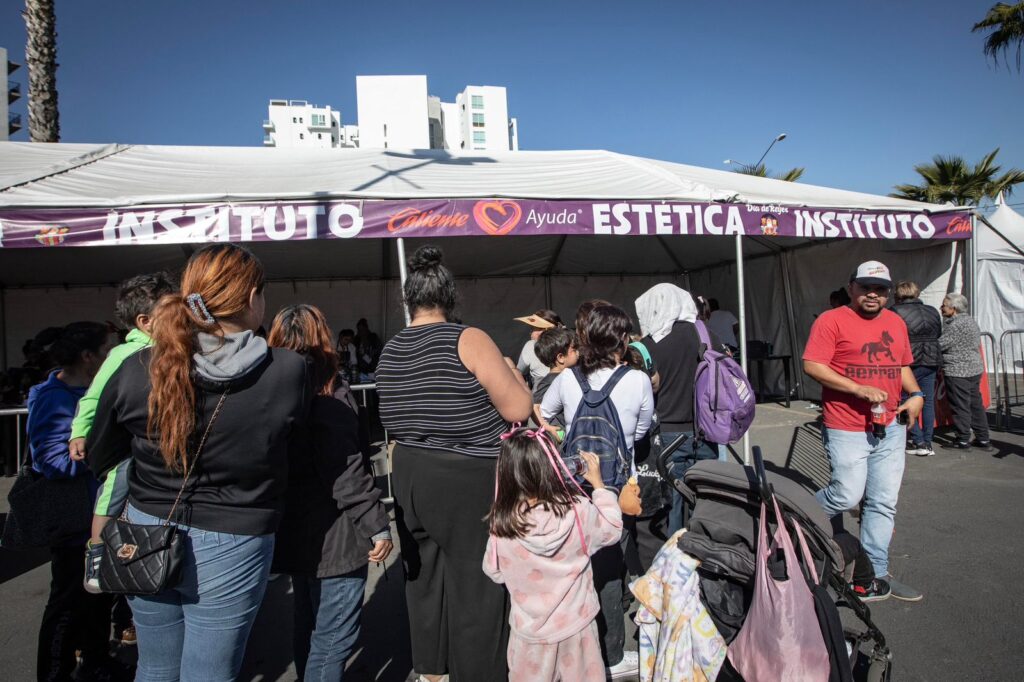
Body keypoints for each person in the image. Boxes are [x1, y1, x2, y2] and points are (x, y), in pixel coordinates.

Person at [85, 243, 310, 681]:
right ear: (251, 299)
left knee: (154, 667)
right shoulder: (287, 370)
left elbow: (102, 453)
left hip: (144, 526)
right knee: (210, 672)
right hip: (235, 535)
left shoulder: (138, 366)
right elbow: (291, 451)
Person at [375, 245, 533, 682]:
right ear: (449, 298)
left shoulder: (391, 348)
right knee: (476, 582)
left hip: (408, 470)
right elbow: (518, 408)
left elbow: (388, 415)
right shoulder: (469, 338)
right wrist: (510, 370)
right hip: (467, 476)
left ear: (408, 300)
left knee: (423, 577)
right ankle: (476, 672)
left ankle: (431, 668)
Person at [267, 305, 393, 682]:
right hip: (334, 536)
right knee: (332, 639)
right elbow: (346, 472)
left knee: (308, 629)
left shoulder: (273, 392)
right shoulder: (326, 394)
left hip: (295, 531)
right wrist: (378, 525)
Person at [540, 303, 653, 678]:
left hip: (574, 486)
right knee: (608, 568)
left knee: (574, 565)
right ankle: (612, 654)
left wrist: (562, 437)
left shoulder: (568, 378)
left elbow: (543, 412)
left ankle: (574, 648)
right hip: (616, 488)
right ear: (619, 340)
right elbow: (640, 432)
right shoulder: (635, 380)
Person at [803, 260, 925, 603]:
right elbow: (812, 365)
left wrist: (916, 396)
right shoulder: (832, 320)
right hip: (846, 425)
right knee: (846, 495)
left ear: (888, 292)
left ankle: (873, 573)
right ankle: (794, 520)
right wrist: (858, 389)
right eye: (866, 287)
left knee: (883, 503)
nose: (873, 294)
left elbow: (901, 365)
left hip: (889, 426)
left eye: (881, 289)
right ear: (852, 287)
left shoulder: (895, 322)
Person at [68, 272, 177, 603]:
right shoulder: (122, 356)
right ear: (144, 321)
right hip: (126, 447)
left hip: (158, 447)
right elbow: (92, 397)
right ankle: (97, 553)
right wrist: (80, 432)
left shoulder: (176, 349)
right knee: (114, 489)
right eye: (169, 310)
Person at [483, 430, 622, 682]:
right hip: (577, 630)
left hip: (530, 638)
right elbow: (612, 530)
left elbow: (493, 570)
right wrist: (600, 487)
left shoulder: (502, 525)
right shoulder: (578, 511)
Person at [27, 321, 121, 681]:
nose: (112, 356)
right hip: (71, 522)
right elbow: (49, 461)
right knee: (67, 602)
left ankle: (96, 661)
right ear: (88, 357)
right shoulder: (52, 398)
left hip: (96, 515)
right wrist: (104, 453)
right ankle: (54, 672)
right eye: (106, 349)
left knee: (97, 596)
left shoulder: (95, 389)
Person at [635, 284, 724, 536]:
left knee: (674, 500)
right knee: (707, 496)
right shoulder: (707, 335)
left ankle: (676, 557)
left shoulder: (649, 345)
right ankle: (706, 548)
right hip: (706, 429)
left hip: (668, 434)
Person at [891, 281, 943, 457]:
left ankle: (918, 440)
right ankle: (927, 442)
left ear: (899, 295)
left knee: (906, 399)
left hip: (910, 360)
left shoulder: (895, 312)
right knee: (926, 401)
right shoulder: (933, 310)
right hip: (931, 358)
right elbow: (938, 334)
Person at [939, 293, 993, 452]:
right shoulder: (970, 320)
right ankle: (983, 438)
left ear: (953, 308)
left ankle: (962, 439)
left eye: (944, 305)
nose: (941, 308)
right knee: (976, 405)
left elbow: (941, 344)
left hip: (958, 370)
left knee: (960, 406)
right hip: (974, 368)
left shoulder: (955, 325)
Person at [531, 326, 578, 437]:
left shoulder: (568, 375)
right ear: (561, 357)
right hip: (561, 434)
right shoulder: (550, 381)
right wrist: (545, 426)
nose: (578, 352)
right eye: (574, 349)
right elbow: (534, 406)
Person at [515, 310, 562, 386]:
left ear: (542, 331)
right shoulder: (568, 344)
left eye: (533, 328)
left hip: (540, 395)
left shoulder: (531, 345)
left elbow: (518, 372)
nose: (530, 333)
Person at [354, 318, 382, 382]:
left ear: (366, 328)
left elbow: (379, 351)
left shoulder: (373, 337)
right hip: (361, 370)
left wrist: (367, 355)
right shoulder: (356, 340)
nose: (361, 332)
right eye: (359, 330)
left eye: (363, 329)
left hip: (373, 368)